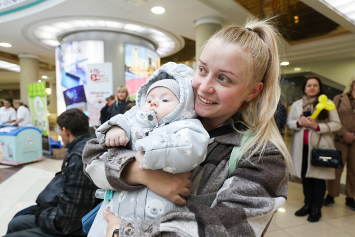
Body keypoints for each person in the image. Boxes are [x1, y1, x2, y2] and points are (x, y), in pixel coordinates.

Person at [87, 17, 292, 237]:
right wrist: (139, 173)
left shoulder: (262, 156)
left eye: (223, 79)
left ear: (253, 91)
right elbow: (91, 158)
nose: (204, 87)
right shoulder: (166, 111)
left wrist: (126, 232)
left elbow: (230, 229)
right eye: (202, 70)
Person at [84, 64, 209, 237]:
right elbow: (94, 154)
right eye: (150, 99)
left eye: (165, 100)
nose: (155, 103)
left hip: (153, 220)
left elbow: (190, 147)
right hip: (115, 212)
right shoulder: (134, 119)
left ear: (183, 105)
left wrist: (151, 150)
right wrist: (116, 129)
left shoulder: (186, 126)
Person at [5, 108, 100, 237]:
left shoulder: (79, 158)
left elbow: (67, 222)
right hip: (77, 216)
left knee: (17, 226)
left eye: (58, 130)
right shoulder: (88, 145)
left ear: (65, 130)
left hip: (75, 227)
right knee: (16, 222)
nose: (59, 134)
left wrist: (42, 213)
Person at [286, 77, 341, 222]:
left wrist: (316, 126)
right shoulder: (297, 104)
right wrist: (299, 122)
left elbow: (337, 125)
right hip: (301, 147)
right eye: (309, 85)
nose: (311, 87)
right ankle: (307, 205)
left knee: (318, 179)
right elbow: (289, 123)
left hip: (320, 147)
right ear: (304, 87)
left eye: (315, 85)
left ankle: (317, 208)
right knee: (305, 177)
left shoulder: (328, 104)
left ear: (319, 87)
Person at [324, 76, 355, 210]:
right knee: (336, 169)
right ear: (352, 83)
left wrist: (353, 135)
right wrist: (344, 133)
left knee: (354, 170)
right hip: (339, 139)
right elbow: (332, 117)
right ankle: (331, 195)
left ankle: (350, 197)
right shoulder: (339, 98)